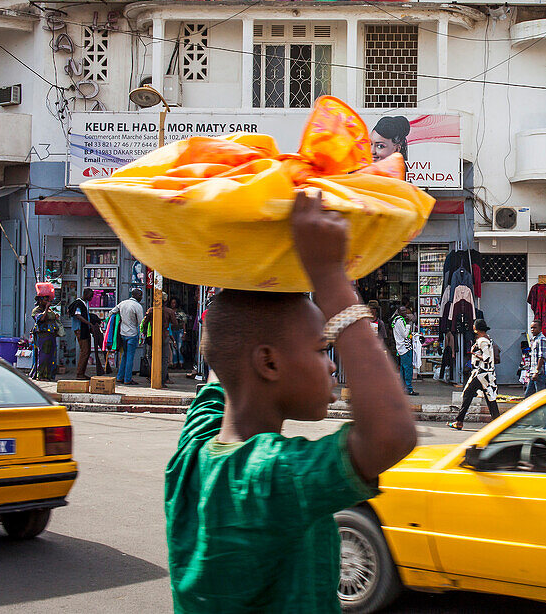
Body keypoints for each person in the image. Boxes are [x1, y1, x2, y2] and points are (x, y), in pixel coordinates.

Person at [165, 192, 416, 613]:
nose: (332, 366)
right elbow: (391, 435)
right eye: (322, 350)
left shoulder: (192, 454)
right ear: (268, 362)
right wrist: (331, 280)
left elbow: (224, 364)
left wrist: (252, 252)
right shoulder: (271, 476)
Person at [448, 319, 500, 429]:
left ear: (476, 328)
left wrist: (474, 354)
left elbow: (486, 358)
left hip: (481, 374)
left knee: (468, 394)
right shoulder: (487, 338)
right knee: (490, 398)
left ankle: (459, 421)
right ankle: (498, 423)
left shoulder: (482, 341)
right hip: (487, 374)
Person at [111, 289, 145, 386]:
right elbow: (140, 323)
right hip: (132, 334)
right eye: (140, 295)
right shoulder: (137, 306)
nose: (141, 297)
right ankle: (127, 379)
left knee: (125, 356)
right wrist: (142, 335)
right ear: (136, 295)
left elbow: (112, 312)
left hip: (123, 333)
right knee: (130, 357)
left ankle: (120, 377)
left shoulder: (123, 303)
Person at [142, 297, 177, 386]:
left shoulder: (151, 310)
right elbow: (175, 323)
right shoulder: (169, 311)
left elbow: (144, 323)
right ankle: (162, 379)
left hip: (153, 336)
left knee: (151, 356)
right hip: (164, 335)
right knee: (164, 359)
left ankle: (153, 376)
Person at [30, 290, 62, 381]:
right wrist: (46, 309)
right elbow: (41, 319)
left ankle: (49, 375)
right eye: (45, 300)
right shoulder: (36, 310)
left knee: (51, 356)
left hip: (51, 335)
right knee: (43, 355)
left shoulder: (49, 310)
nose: (47, 302)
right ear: (40, 301)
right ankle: (41, 375)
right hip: (42, 335)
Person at [67, 288, 95, 380]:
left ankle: (82, 372)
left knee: (86, 351)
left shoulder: (85, 303)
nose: (91, 298)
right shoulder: (78, 303)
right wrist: (88, 323)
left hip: (84, 329)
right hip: (80, 329)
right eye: (91, 296)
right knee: (85, 351)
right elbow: (78, 315)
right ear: (86, 294)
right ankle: (79, 373)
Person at [391, 303, 417, 396]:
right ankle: (409, 388)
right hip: (405, 348)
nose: (405, 312)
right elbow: (405, 334)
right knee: (408, 368)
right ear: (398, 312)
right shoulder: (400, 321)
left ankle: (403, 388)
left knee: (403, 368)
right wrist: (408, 325)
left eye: (405, 310)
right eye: (402, 311)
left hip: (400, 347)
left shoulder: (395, 320)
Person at [524, 319, 546, 397]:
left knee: (541, 397)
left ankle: (545, 410)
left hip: (540, 374)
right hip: (534, 373)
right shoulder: (535, 340)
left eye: (534, 328)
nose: (532, 330)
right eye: (531, 328)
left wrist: (537, 371)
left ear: (540, 328)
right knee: (528, 396)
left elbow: (541, 357)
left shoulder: (541, 339)